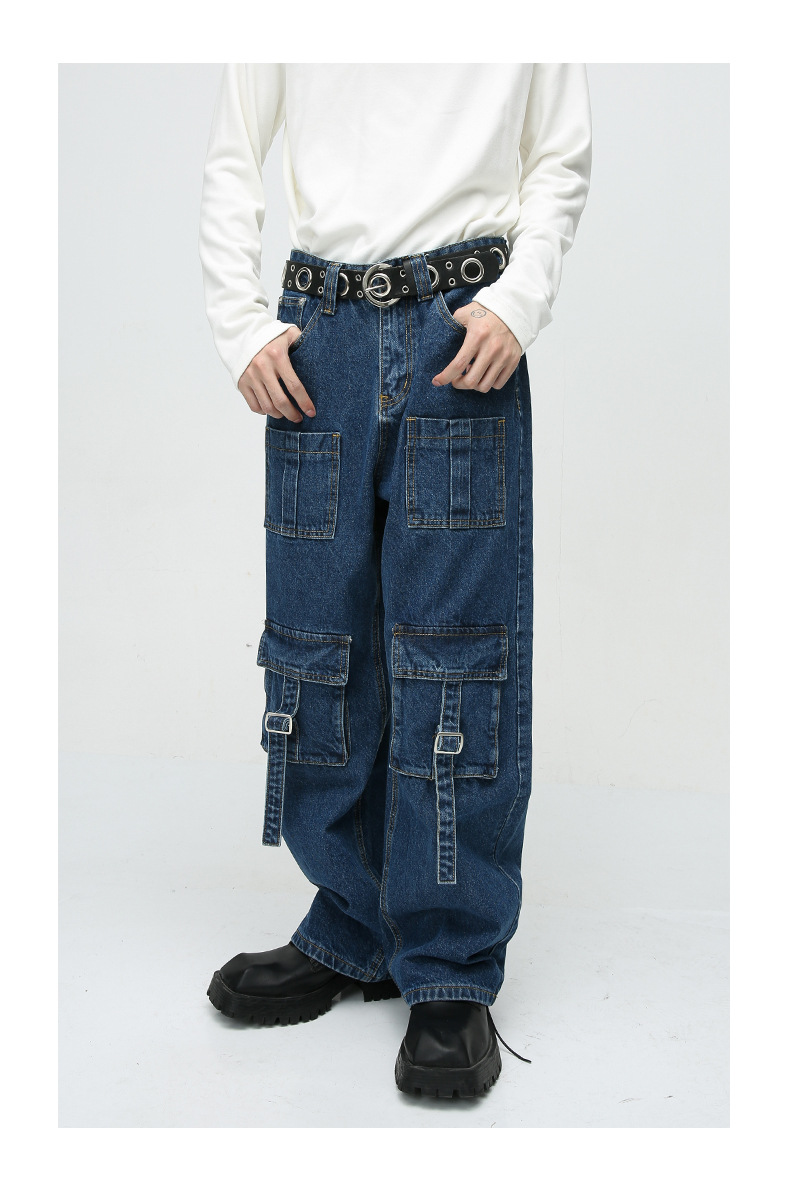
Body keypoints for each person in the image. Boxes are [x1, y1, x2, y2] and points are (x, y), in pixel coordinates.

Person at [198, 62, 592, 1099]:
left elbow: (558, 154)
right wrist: (240, 322)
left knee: (455, 653)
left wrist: (519, 299)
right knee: (317, 642)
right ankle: (351, 921)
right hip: (318, 335)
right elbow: (234, 154)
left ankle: (450, 962)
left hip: (461, 329)